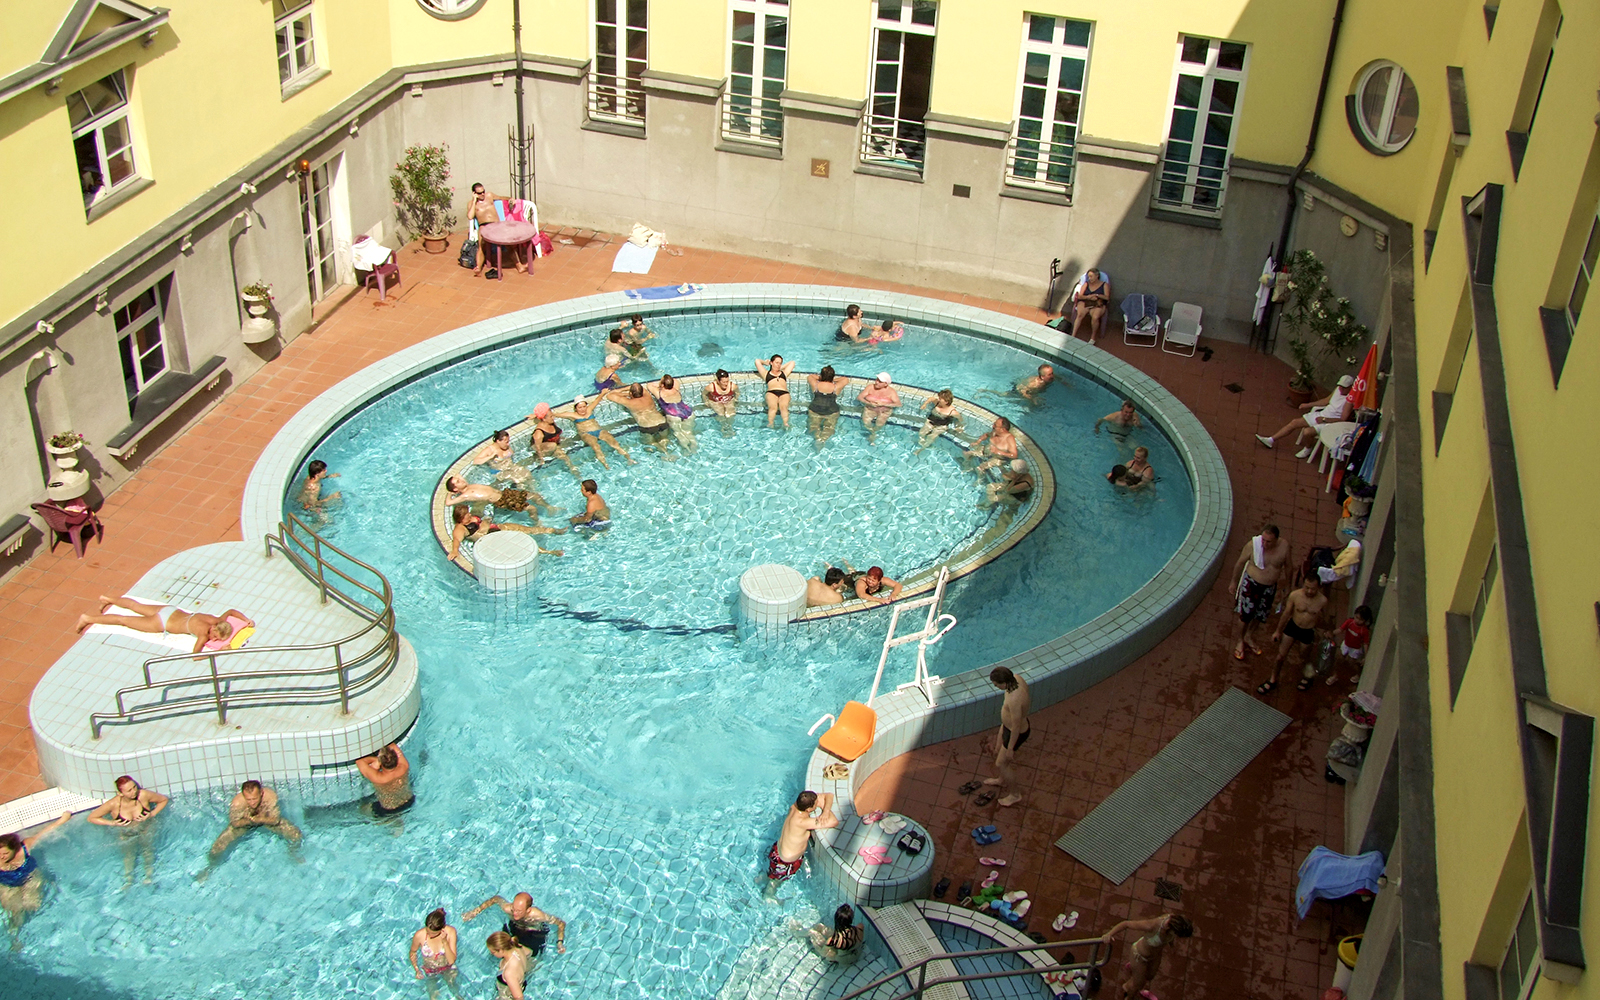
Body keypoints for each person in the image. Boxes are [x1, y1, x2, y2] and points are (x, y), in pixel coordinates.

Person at [75, 596, 254, 655]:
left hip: (170, 611)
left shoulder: (216, 619)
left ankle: (107, 599)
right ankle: (88, 619)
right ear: (215, 630)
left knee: (134, 606)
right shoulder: (202, 635)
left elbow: (231, 611)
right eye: (215, 637)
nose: (213, 639)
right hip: (161, 623)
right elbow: (195, 655)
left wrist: (246, 620)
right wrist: (222, 649)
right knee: (123, 621)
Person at [200, 780, 301, 880]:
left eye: (255, 799)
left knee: (295, 834)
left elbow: (275, 819)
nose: (252, 803)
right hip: (245, 823)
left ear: (261, 793)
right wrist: (249, 821)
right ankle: (209, 868)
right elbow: (235, 823)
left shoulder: (270, 797)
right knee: (218, 846)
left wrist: (261, 819)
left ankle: (293, 854)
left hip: (266, 819)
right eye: (248, 799)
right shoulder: (237, 803)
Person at [0, 811, 71, 945]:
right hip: (7, 883)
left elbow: (45, 833)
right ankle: (15, 940)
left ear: (14, 849)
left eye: (5, 854)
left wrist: (63, 819)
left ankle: (44, 934)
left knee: (33, 905)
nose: (1, 857)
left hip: (30, 877)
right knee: (15, 912)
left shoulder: (25, 846)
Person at [86, 775, 168, 886]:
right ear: (120, 793)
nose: (134, 791)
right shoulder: (114, 804)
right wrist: (112, 823)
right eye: (129, 790)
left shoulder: (143, 795)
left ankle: (149, 877)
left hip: (146, 829)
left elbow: (163, 800)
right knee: (129, 855)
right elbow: (92, 818)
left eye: (134, 787)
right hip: (126, 834)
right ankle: (129, 880)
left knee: (147, 851)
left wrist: (152, 814)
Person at [1259, 573, 1330, 694]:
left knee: (1304, 657)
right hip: (1293, 626)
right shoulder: (1295, 595)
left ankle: (1308, 677)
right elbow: (1286, 614)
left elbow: (1326, 619)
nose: (1309, 591)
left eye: (1312, 588)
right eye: (1306, 587)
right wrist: (1278, 631)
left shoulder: (1322, 601)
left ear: (1318, 587)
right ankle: (1273, 679)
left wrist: (1326, 630)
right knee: (1280, 656)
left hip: (1308, 630)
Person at [1100, 913, 1194, 1000]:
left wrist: (1172, 946)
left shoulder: (1173, 922)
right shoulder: (1153, 925)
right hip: (1140, 956)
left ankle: (1135, 972)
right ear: (1173, 928)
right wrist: (1109, 934)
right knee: (1138, 985)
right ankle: (1128, 993)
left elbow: (1170, 937)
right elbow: (1126, 924)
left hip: (1155, 955)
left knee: (1150, 976)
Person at [1231, 525, 1290, 661]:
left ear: (1276, 540)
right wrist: (1234, 582)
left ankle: (1249, 636)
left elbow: (1289, 567)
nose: (1264, 544)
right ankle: (1240, 640)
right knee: (1245, 615)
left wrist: (1288, 585)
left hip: (1269, 587)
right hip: (1252, 584)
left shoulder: (1284, 547)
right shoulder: (1253, 545)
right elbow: (1240, 563)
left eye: (1268, 541)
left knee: (1260, 615)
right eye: (1263, 540)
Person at [1255, 374, 1356, 454]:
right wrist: (1308, 405)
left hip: (1330, 422)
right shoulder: (1337, 390)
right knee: (1294, 422)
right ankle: (1271, 440)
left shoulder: (1349, 400)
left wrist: (1325, 419)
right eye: (1340, 386)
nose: (1341, 389)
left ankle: (1308, 448)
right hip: (1322, 414)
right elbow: (1326, 401)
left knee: (1307, 432)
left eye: (1344, 388)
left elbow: (1343, 419)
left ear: (1351, 387)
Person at [767, 790, 838, 890]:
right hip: (785, 861)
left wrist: (824, 808)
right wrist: (825, 812)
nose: (818, 804)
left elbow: (829, 795)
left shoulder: (795, 806)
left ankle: (762, 878)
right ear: (809, 809)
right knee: (776, 882)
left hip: (777, 850)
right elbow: (834, 821)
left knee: (772, 874)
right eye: (816, 804)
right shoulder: (802, 822)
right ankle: (768, 896)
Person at [463, 892, 568, 957]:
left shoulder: (538, 915)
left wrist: (559, 942)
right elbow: (495, 899)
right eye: (514, 909)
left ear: (528, 910)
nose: (514, 913)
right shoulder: (508, 909)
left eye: (519, 911)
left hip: (533, 933)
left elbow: (561, 924)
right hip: (515, 927)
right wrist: (474, 912)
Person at [982, 667, 1030, 807]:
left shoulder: (1015, 699)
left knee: (1001, 763)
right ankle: (1002, 779)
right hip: (1007, 728)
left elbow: (1016, 726)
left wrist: (1010, 748)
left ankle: (1015, 795)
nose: (995, 687)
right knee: (998, 752)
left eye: (996, 684)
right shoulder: (1015, 678)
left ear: (1004, 682)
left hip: (1016, 733)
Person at [447, 504, 563, 562]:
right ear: (461, 517)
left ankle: (555, 531)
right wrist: (454, 550)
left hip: (500, 528)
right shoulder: (460, 528)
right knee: (524, 544)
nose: (470, 514)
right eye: (467, 514)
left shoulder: (471, 518)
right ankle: (550, 552)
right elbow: (457, 539)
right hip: (496, 538)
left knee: (529, 530)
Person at [549, 395, 634, 468]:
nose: (582, 409)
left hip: (599, 430)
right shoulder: (573, 415)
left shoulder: (589, 410)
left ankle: (629, 458)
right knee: (596, 447)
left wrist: (603, 393)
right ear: (576, 408)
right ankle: (606, 466)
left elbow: (597, 400)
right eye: (580, 407)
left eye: (584, 406)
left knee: (613, 442)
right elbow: (557, 415)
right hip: (586, 434)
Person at [602, 383, 675, 459]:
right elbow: (639, 387)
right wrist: (630, 392)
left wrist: (620, 390)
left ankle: (666, 456)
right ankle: (667, 452)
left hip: (648, 427)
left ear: (631, 393)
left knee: (650, 443)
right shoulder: (647, 396)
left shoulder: (629, 402)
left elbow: (609, 396)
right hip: (662, 422)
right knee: (663, 439)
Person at [467, 183, 521, 275]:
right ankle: (478, 267)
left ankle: (520, 266)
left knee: (508, 244)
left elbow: (501, 197)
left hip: (496, 224)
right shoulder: (472, 204)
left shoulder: (489, 196)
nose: (482, 194)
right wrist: (474, 200)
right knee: (481, 246)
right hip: (484, 226)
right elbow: (470, 216)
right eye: (479, 193)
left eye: (483, 191)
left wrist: (510, 198)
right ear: (474, 193)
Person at [409, 908, 462, 998]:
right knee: (433, 995)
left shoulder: (450, 932)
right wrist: (417, 969)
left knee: (455, 992)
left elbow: (451, 960)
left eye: (433, 934)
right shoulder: (419, 935)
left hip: (447, 967)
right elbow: (413, 953)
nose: (429, 935)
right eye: (428, 931)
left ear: (442, 929)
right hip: (430, 970)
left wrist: (445, 942)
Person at [445, 477, 557, 519]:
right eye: (458, 482)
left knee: (534, 495)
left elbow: (457, 474)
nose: (461, 480)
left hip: (505, 493)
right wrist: (450, 494)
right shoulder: (465, 495)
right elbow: (449, 503)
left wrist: (456, 482)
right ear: (455, 489)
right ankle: (537, 522)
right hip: (503, 501)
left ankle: (548, 507)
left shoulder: (469, 486)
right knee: (532, 508)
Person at [356, 743, 414, 819]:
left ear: (382, 764)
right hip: (408, 801)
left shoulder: (379, 778)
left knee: (362, 809)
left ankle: (394, 823)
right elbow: (392, 745)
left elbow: (359, 761)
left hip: (389, 810)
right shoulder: (404, 766)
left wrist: (377, 760)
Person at [648, 374, 699, 454]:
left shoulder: (659, 392)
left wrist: (659, 385)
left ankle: (687, 450)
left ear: (662, 384)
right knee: (688, 432)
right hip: (688, 412)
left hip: (673, 415)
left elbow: (649, 385)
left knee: (679, 433)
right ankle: (694, 448)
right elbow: (674, 380)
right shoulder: (676, 387)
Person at [527, 403, 580, 474]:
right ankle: (573, 470)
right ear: (544, 419)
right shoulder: (539, 433)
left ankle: (573, 469)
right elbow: (538, 448)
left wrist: (535, 415)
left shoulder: (551, 422)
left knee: (574, 441)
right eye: (551, 416)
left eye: (552, 415)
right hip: (545, 448)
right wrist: (541, 460)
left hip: (554, 443)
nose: (553, 418)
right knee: (557, 450)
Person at [1328, 604, 1374, 686]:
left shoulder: (1364, 631)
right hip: (1346, 644)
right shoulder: (1349, 622)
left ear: (1365, 620)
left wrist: (1365, 657)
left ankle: (1357, 674)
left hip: (1356, 649)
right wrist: (1332, 633)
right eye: (1356, 617)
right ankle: (1335, 676)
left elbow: (1365, 643)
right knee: (1338, 659)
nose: (1357, 620)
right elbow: (1340, 629)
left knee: (1352, 663)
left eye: (1361, 619)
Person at [806, 366, 849, 448]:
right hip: (831, 411)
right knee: (829, 428)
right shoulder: (836, 387)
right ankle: (823, 439)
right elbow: (845, 379)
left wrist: (821, 378)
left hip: (815, 410)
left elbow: (810, 376)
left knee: (814, 426)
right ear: (833, 376)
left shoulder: (815, 384)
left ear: (821, 375)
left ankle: (817, 438)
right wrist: (832, 379)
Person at [485, 931, 534, 1000]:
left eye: (493, 952)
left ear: (501, 950)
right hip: (520, 982)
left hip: (508, 994)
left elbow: (519, 997)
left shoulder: (509, 973)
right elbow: (529, 953)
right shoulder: (517, 946)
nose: (491, 954)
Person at [1069, 268, 1111, 345]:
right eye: (1088, 276)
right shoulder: (1086, 284)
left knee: (1095, 317)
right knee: (1080, 315)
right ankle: (1073, 335)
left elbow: (1107, 297)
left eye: (1091, 276)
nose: (1089, 278)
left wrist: (1097, 295)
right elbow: (1080, 296)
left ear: (1097, 276)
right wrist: (1088, 297)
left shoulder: (1104, 285)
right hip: (1086, 301)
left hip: (1098, 303)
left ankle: (1093, 338)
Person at [857, 372, 901, 445]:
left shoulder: (891, 392)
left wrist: (884, 404)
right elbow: (859, 397)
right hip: (870, 409)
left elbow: (898, 404)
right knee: (866, 423)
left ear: (886, 384)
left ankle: (874, 433)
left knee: (879, 425)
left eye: (880, 381)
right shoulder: (870, 387)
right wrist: (868, 403)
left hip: (884, 412)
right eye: (876, 380)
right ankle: (872, 432)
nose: (876, 382)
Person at [756, 354, 796, 429]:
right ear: (771, 362)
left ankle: (785, 424)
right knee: (772, 408)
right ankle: (770, 424)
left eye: (780, 363)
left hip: (784, 392)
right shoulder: (766, 373)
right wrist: (765, 363)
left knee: (783, 407)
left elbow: (792, 363)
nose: (778, 365)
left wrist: (781, 367)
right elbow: (757, 361)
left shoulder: (784, 373)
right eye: (776, 363)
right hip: (771, 392)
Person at [702, 369, 740, 436]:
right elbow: (704, 394)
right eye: (724, 382)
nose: (726, 384)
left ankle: (730, 427)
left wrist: (735, 400)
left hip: (728, 400)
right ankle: (723, 427)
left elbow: (737, 393)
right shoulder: (711, 387)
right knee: (721, 414)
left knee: (730, 414)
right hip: (715, 401)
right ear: (718, 381)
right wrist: (706, 402)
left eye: (727, 381)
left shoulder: (732, 386)